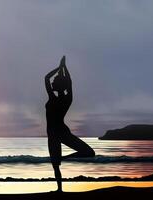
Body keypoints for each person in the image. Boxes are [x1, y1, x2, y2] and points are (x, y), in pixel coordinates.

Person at [45, 55, 95, 192]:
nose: (53, 82)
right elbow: (61, 81)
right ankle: (59, 189)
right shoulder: (66, 99)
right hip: (55, 133)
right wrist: (62, 68)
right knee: (55, 164)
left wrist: (60, 68)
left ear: (60, 84)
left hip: (58, 132)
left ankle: (64, 161)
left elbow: (47, 78)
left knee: (89, 152)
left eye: (56, 81)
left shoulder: (56, 98)